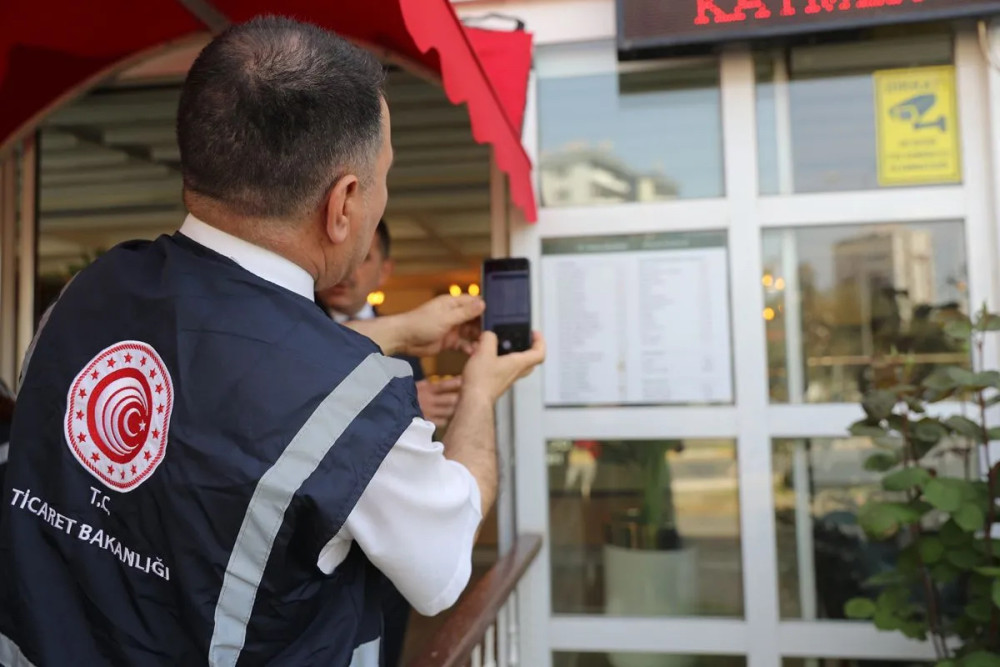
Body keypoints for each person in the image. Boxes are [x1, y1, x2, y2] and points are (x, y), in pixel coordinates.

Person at [0, 16, 544, 667]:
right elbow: (443, 563)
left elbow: (227, 366)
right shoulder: (358, 411)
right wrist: (481, 390)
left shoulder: (88, 293)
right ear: (342, 204)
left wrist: (398, 329)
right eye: (383, 178)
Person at [317, 219, 464, 430]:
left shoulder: (408, 348)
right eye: (336, 254)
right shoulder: (297, 323)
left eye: (361, 258)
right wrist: (401, 408)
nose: (345, 271)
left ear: (384, 271)